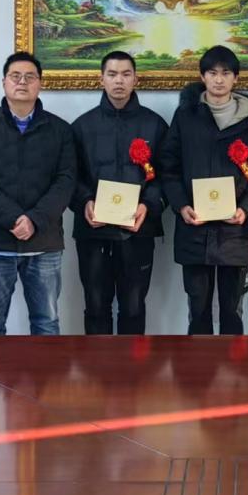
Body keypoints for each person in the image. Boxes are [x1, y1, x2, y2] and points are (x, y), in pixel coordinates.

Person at [158, 45, 248, 335]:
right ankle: (197, 365)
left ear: (236, 78)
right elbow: (168, 166)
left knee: (232, 313)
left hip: (235, 233)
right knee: (198, 312)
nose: (219, 80)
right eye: (212, 73)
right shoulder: (186, 116)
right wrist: (181, 205)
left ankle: (234, 366)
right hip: (193, 229)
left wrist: (247, 208)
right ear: (202, 77)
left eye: (225, 73)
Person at [0, 51, 76, 338]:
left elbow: (65, 181)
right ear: (4, 82)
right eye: (15, 76)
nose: (22, 82)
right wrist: (13, 218)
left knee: (47, 322)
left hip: (44, 243)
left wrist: (34, 220)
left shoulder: (60, 129)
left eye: (30, 77)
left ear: (40, 83)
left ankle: (43, 373)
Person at [70, 51, 168, 334]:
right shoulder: (82, 126)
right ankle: (97, 364)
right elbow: (70, 176)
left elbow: (168, 175)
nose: (119, 81)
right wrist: (85, 202)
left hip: (138, 231)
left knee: (134, 307)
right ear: (101, 79)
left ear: (136, 79)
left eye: (126, 74)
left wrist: (148, 205)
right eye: (112, 74)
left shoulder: (155, 125)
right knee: (95, 306)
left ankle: (132, 365)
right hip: (93, 232)